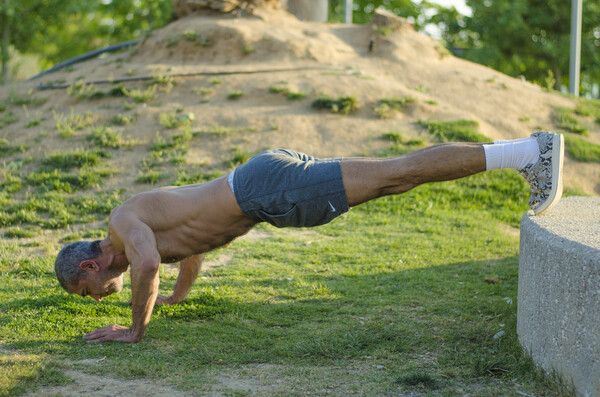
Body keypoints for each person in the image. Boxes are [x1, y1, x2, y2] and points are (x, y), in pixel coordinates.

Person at [54, 131, 564, 343]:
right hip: (261, 185)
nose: (97, 299)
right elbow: (187, 251)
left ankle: (528, 152)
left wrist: (134, 330)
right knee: (396, 175)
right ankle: (525, 153)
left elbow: (147, 266)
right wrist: (177, 297)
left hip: (262, 188)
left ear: (89, 269)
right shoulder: (138, 227)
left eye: (87, 294)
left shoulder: (122, 226)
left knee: (398, 173)